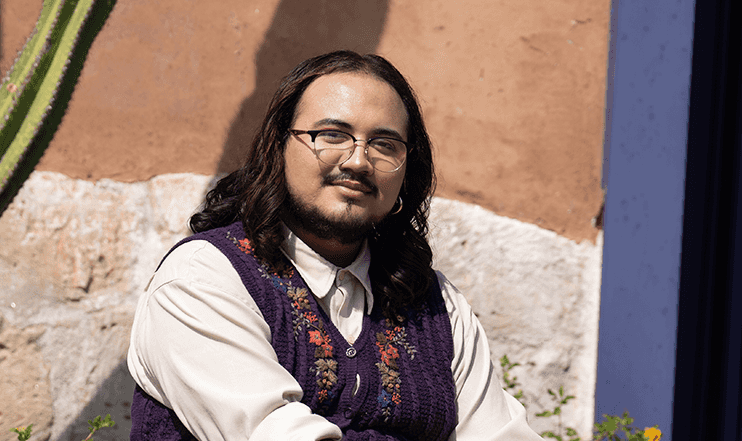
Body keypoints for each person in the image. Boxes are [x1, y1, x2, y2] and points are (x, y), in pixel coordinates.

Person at [127, 50, 543, 440]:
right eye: (332, 135)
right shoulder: (204, 278)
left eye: (384, 144)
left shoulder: (436, 305)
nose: (358, 161)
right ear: (279, 148)